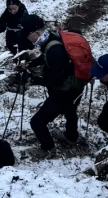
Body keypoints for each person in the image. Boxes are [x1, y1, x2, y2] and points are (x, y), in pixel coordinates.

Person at [24, 17, 87, 154]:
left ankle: (48, 148)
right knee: (70, 111)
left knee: (37, 122)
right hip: (75, 86)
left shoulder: (55, 50)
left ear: (36, 33)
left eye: (27, 35)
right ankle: (71, 137)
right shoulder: (52, 38)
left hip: (63, 93)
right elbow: (47, 56)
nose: (27, 38)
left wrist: (35, 80)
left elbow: (56, 81)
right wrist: (31, 64)